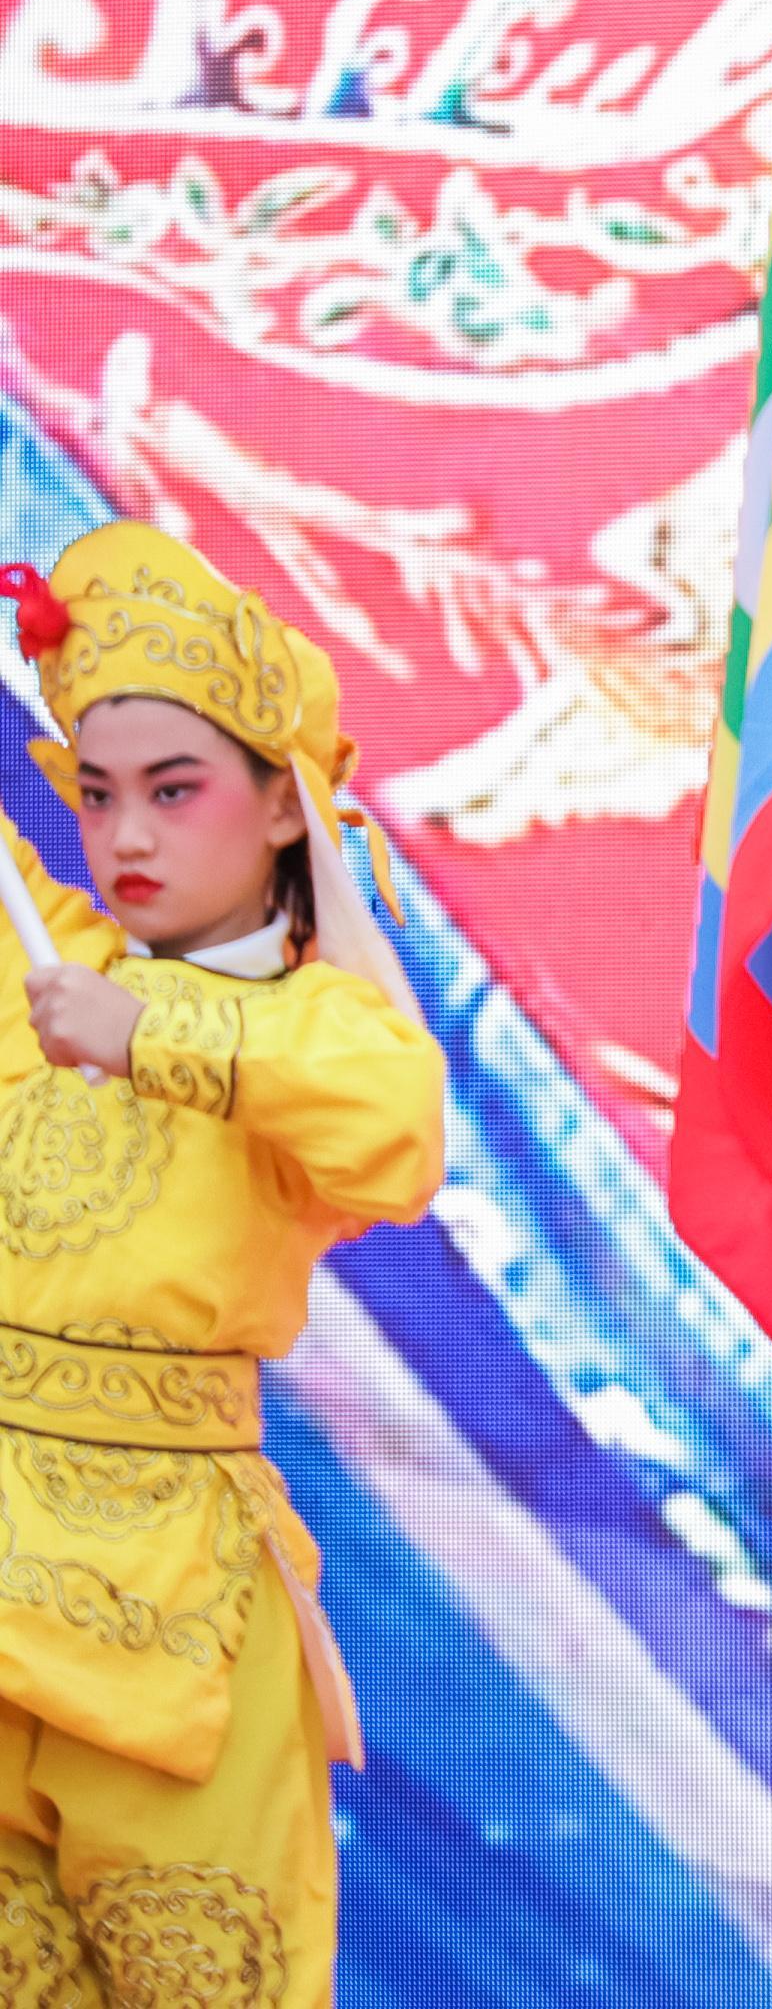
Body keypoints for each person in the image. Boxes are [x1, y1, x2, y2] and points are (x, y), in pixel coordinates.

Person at [0, 522, 448, 2000]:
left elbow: (398, 1135)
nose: (124, 836)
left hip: (172, 1631)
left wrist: (155, 1035)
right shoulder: (46, 967)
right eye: (97, 792)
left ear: (277, 806)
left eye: (175, 792)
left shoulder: (314, 1029)